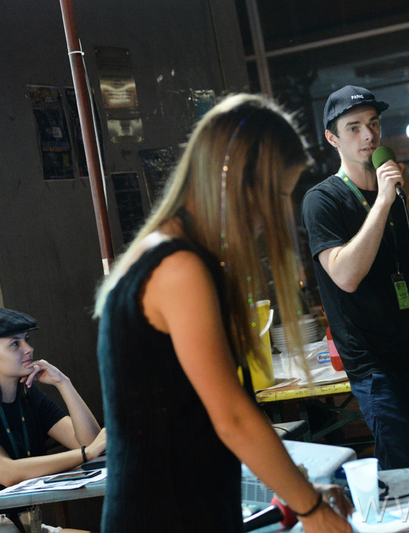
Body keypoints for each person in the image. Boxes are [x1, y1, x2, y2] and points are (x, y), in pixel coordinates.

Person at [93, 94, 353, 533]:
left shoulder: (166, 251)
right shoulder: (179, 267)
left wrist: (298, 490)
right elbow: (231, 417)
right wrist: (312, 509)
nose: (275, 216)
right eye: (277, 195)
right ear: (235, 180)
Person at [301, 85, 409, 470]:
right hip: (373, 365)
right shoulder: (323, 200)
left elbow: (392, 271)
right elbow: (346, 276)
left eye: (373, 124)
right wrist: (382, 201)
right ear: (332, 138)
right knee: (403, 471)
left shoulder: (393, 194)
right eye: (353, 128)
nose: (368, 135)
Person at [0, 307, 107, 533]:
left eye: (26, 340)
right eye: (15, 344)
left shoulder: (28, 396)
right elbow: (6, 473)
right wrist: (85, 454)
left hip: (30, 524)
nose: (29, 349)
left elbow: (91, 442)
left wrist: (63, 383)